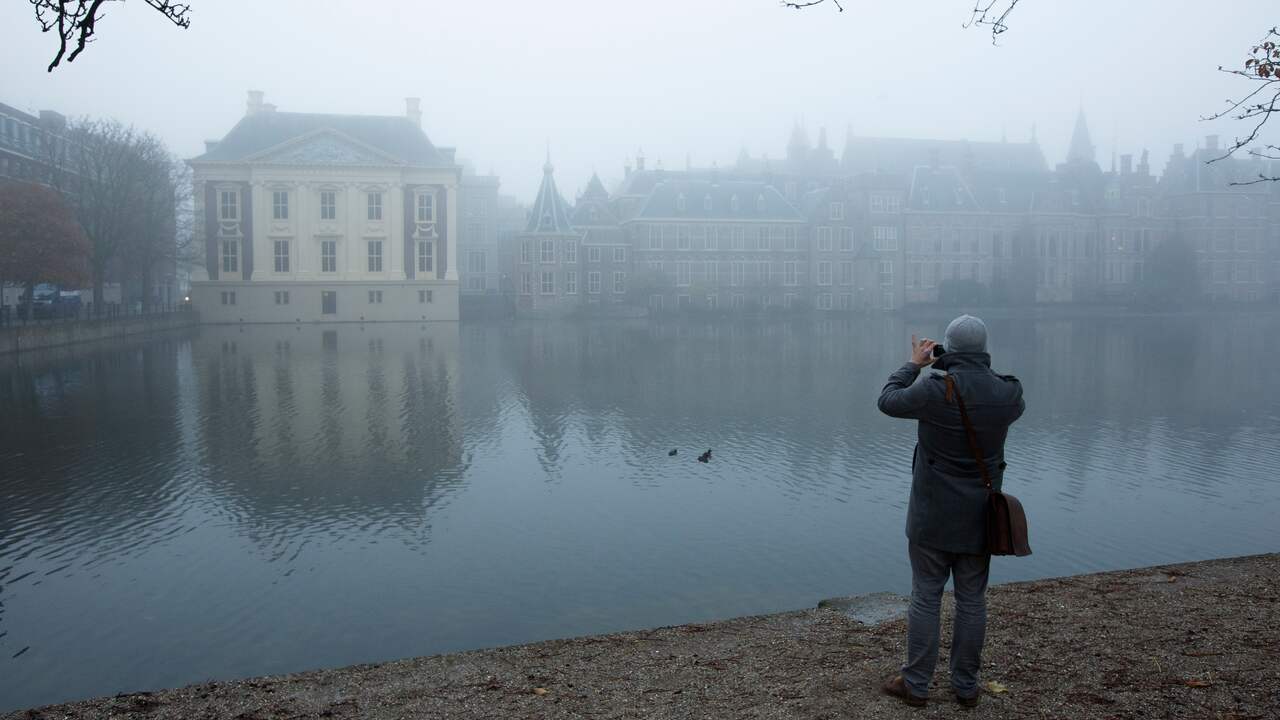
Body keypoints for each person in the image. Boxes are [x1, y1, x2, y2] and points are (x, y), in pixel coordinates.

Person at [875, 314, 1025, 708]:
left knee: (926, 595)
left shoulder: (933, 390)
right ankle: (965, 686)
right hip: (980, 516)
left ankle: (917, 684)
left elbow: (887, 400)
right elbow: (999, 387)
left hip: (932, 515)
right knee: (972, 599)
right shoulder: (1008, 395)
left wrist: (915, 364)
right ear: (985, 349)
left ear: (948, 348)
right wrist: (962, 363)